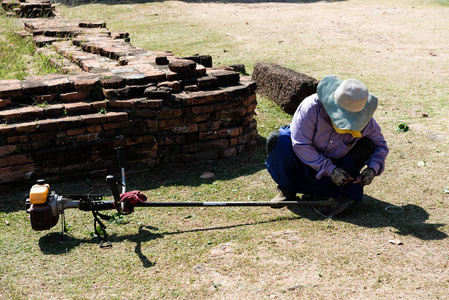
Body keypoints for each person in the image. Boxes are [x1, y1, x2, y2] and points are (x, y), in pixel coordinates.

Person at [265, 75, 389, 217]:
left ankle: (334, 193)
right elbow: (301, 145)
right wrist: (330, 170)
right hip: (302, 158)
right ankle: (287, 190)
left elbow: (381, 146)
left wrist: (372, 169)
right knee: (278, 140)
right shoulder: (311, 107)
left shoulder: (366, 121)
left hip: (338, 162)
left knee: (367, 145)